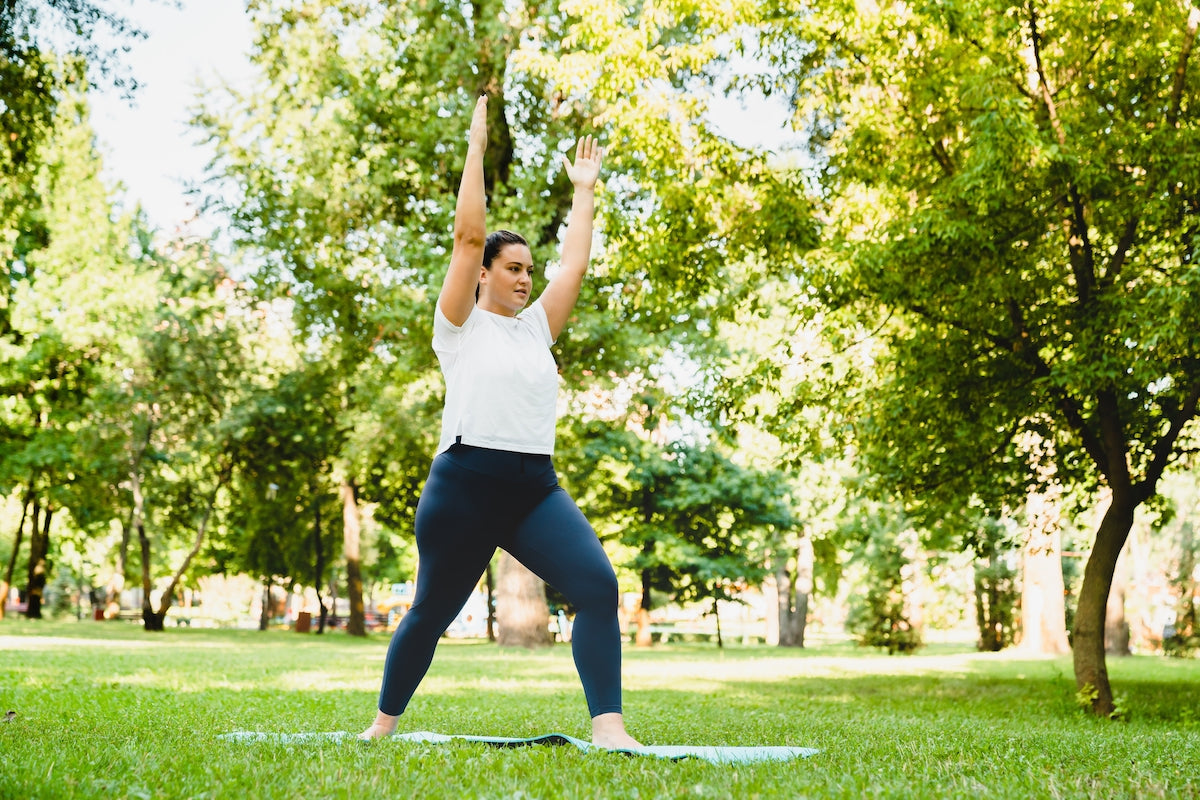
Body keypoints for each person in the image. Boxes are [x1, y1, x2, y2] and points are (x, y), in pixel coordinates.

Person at [359, 95, 640, 749]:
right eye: (512, 269)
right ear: (483, 275)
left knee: (597, 586)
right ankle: (382, 725)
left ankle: (610, 729)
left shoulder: (537, 329)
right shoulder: (459, 326)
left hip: (533, 490)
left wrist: (584, 190)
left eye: (526, 271)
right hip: (464, 488)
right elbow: (464, 237)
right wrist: (476, 150)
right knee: (431, 612)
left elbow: (573, 264)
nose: (523, 279)